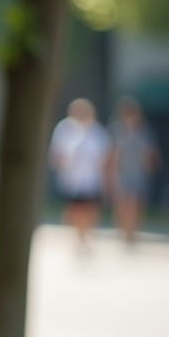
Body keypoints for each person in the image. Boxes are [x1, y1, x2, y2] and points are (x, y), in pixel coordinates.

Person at [48, 98, 111, 250]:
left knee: (90, 208)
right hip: (71, 179)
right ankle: (77, 235)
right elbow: (56, 153)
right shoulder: (64, 128)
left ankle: (87, 234)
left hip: (91, 179)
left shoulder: (97, 131)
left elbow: (106, 157)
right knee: (74, 209)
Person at [108, 96, 160, 245]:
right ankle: (123, 231)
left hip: (139, 173)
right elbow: (111, 153)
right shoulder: (116, 130)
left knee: (136, 203)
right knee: (122, 203)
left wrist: (151, 166)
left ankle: (132, 233)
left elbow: (152, 153)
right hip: (121, 173)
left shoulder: (145, 131)